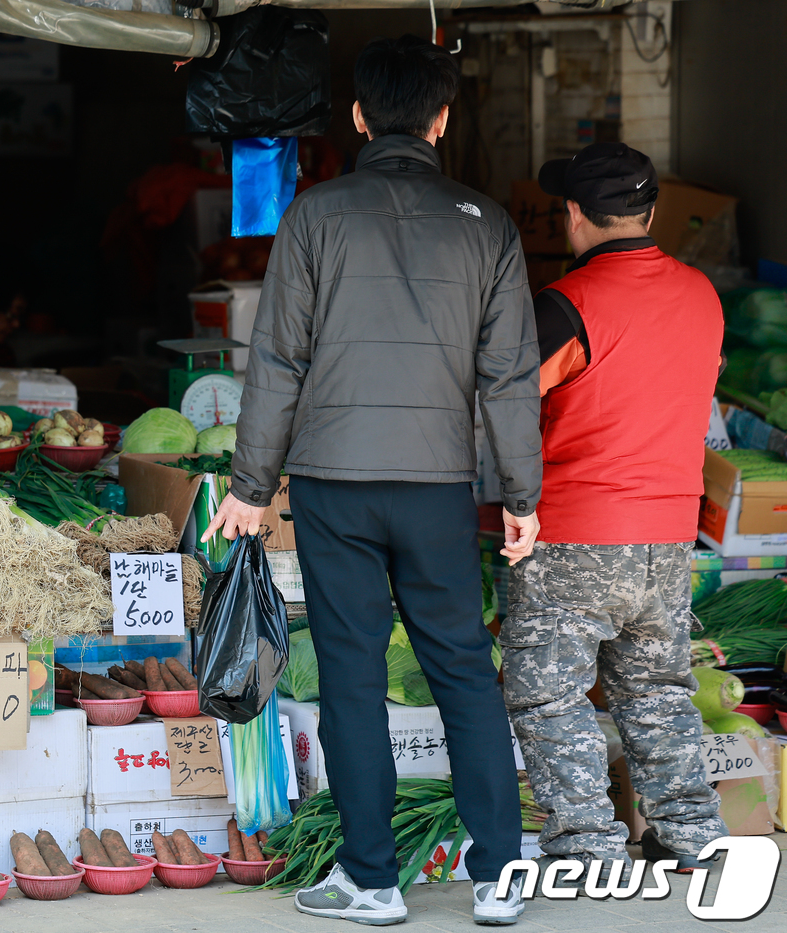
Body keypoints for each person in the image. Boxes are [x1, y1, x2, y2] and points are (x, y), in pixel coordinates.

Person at [204, 34, 541, 927]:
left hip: (333, 483)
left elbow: (276, 358)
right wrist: (521, 496)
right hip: (438, 487)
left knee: (352, 673)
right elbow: (509, 377)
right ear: (441, 119)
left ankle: (372, 880)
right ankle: (500, 876)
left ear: (358, 118)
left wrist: (248, 484)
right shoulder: (489, 225)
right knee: (465, 669)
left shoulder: (315, 216)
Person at [501, 143, 727, 876]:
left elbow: (507, 405)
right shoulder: (702, 294)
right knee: (659, 690)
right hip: (668, 535)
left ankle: (589, 846)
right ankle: (690, 835)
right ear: (651, 211)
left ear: (572, 215)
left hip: (576, 535)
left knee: (549, 694)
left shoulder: (568, 306)